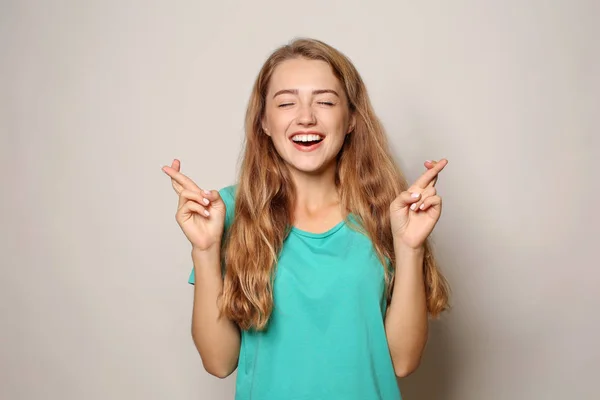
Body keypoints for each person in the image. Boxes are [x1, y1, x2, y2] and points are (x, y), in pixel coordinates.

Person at [162, 37, 450, 400]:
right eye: (286, 103)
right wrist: (204, 250)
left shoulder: (390, 214)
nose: (306, 117)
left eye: (326, 102)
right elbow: (219, 362)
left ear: (351, 120)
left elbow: (403, 361)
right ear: (264, 121)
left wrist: (411, 247)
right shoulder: (230, 211)